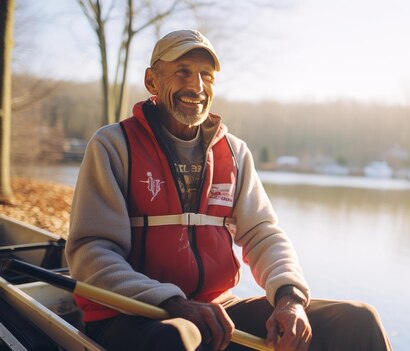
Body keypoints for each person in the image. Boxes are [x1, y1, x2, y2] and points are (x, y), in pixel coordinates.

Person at [65, 29, 392, 351]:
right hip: (134, 312)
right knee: (177, 338)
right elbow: (91, 253)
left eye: (206, 76)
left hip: (216, 310)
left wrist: (289, 298)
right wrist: (174, 302)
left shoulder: (233, 152)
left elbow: (264, 235)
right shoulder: (113, 145)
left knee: (358, 320)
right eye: (183, 72)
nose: (196, 86)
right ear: (152, 81)